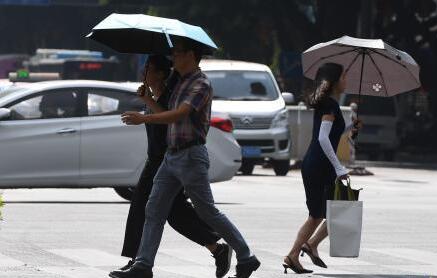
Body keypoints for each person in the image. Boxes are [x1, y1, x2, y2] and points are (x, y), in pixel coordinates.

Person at [111, 39, 260, 278]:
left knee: (207, 212)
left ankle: (246, 256)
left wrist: (144, 118)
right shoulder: (180, 82)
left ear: (191, 55)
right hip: (171, 156)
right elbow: (165, 113)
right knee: (154, 209)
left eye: (177, 53)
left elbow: (180, 115)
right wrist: (149, 101)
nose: (173, 58)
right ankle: (143, 265)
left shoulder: (200, 84)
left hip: (191, 156)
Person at [283, 62, 359, 274]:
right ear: (335, 81)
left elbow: (333, 135)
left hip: (316, 164)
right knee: (326, 213)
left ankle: (308, 247)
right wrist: (339, 167)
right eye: (344, 77)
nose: (347, 81)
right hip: (319, 165)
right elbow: (323, 139)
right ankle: (295, 253)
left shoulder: (328, 104)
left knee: (328, 212)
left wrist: (352, 126)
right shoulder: (330, 105)